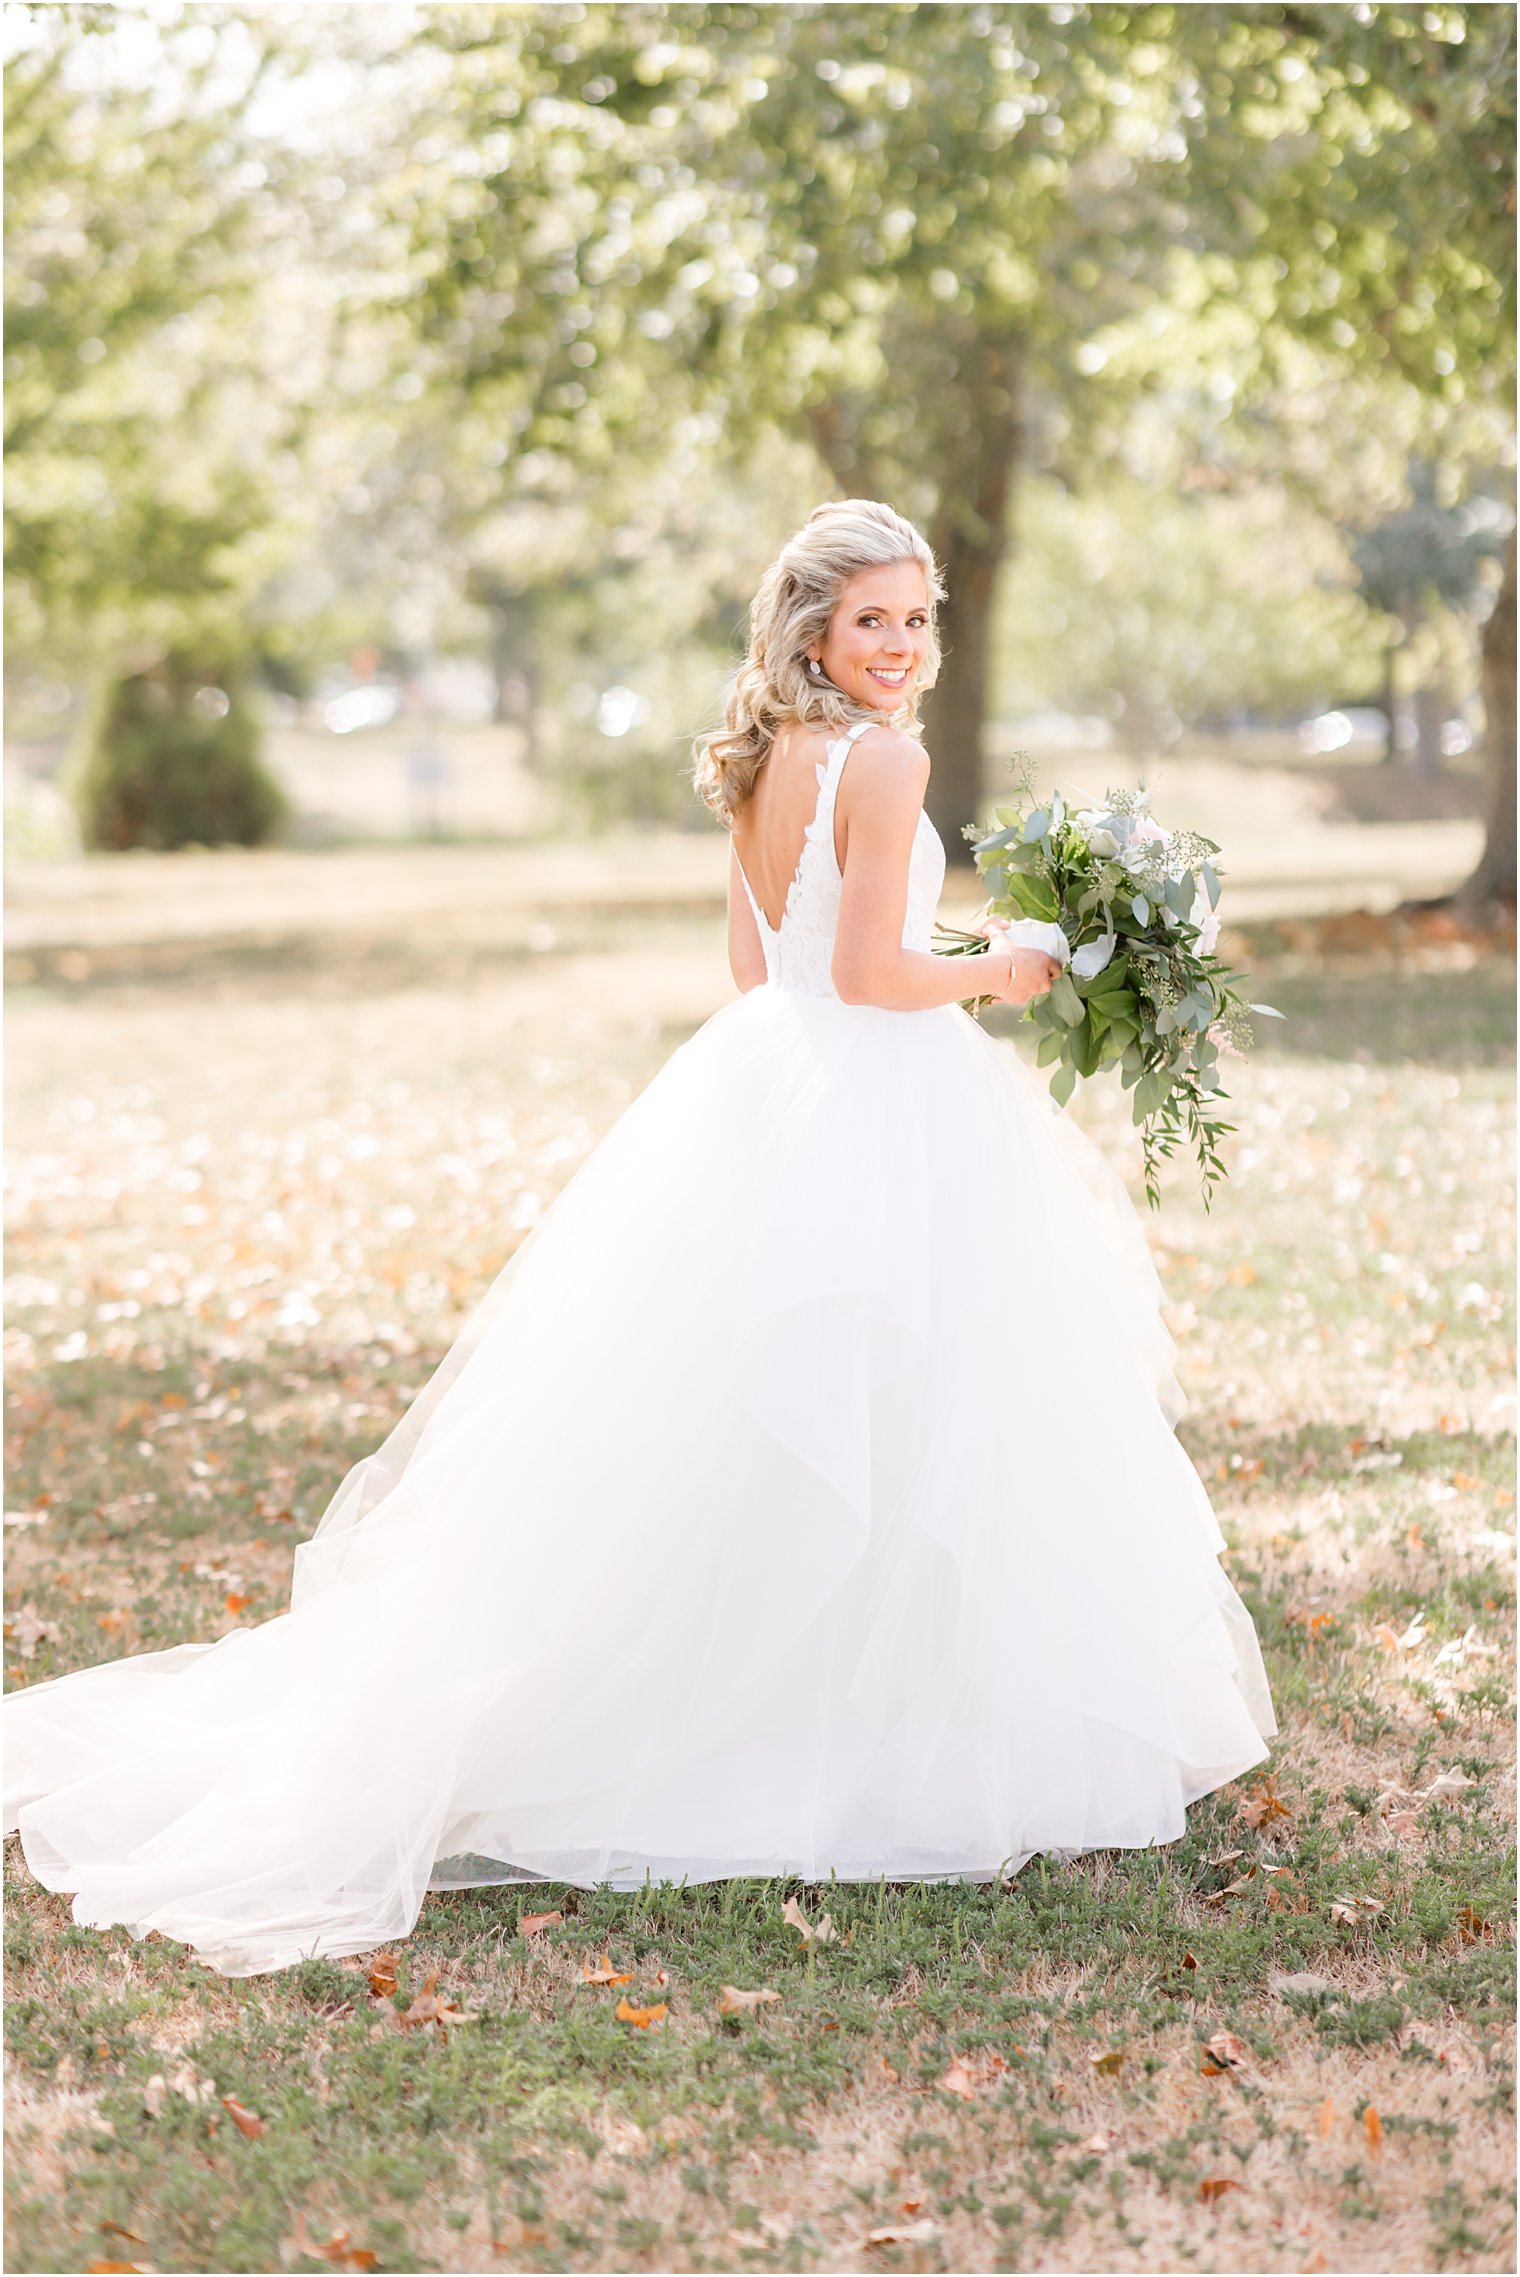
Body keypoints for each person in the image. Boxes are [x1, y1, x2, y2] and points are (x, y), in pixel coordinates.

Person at [3, 499, 1275, 1978]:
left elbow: (762, 963)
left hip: (768, 1079)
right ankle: (849, 1729)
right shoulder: (887, 758)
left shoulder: (761, 754)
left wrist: (914, 968)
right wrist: (1001, 965)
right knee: (908, 1402)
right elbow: (867, 969)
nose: (904, 645)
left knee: (756, 1416)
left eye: (920, 617)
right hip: (874, 1095)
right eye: (874, 619)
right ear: (812, 630)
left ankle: (744, 1695)